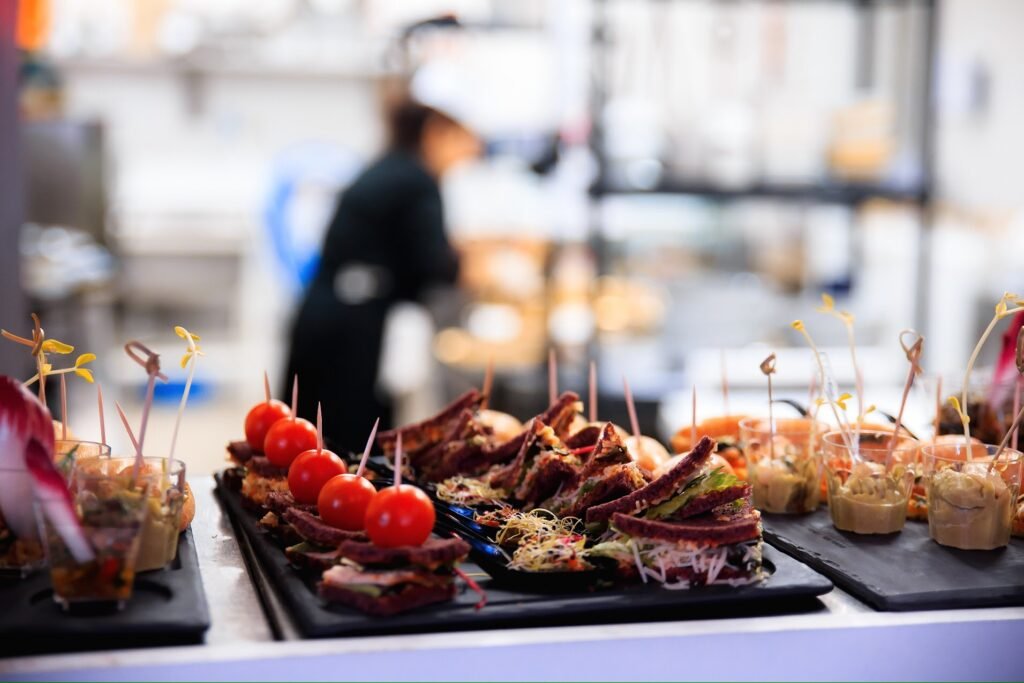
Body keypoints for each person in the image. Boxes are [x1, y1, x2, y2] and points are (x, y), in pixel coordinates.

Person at [283, 99, 480, 452]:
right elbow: (433, 263)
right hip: (353, 334)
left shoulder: (388, 168)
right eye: (461, 146)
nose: (461, 161)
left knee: (303, 446)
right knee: (350, 455)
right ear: (435, 133)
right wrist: (466, 261)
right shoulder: (417, 180)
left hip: (323, 316)